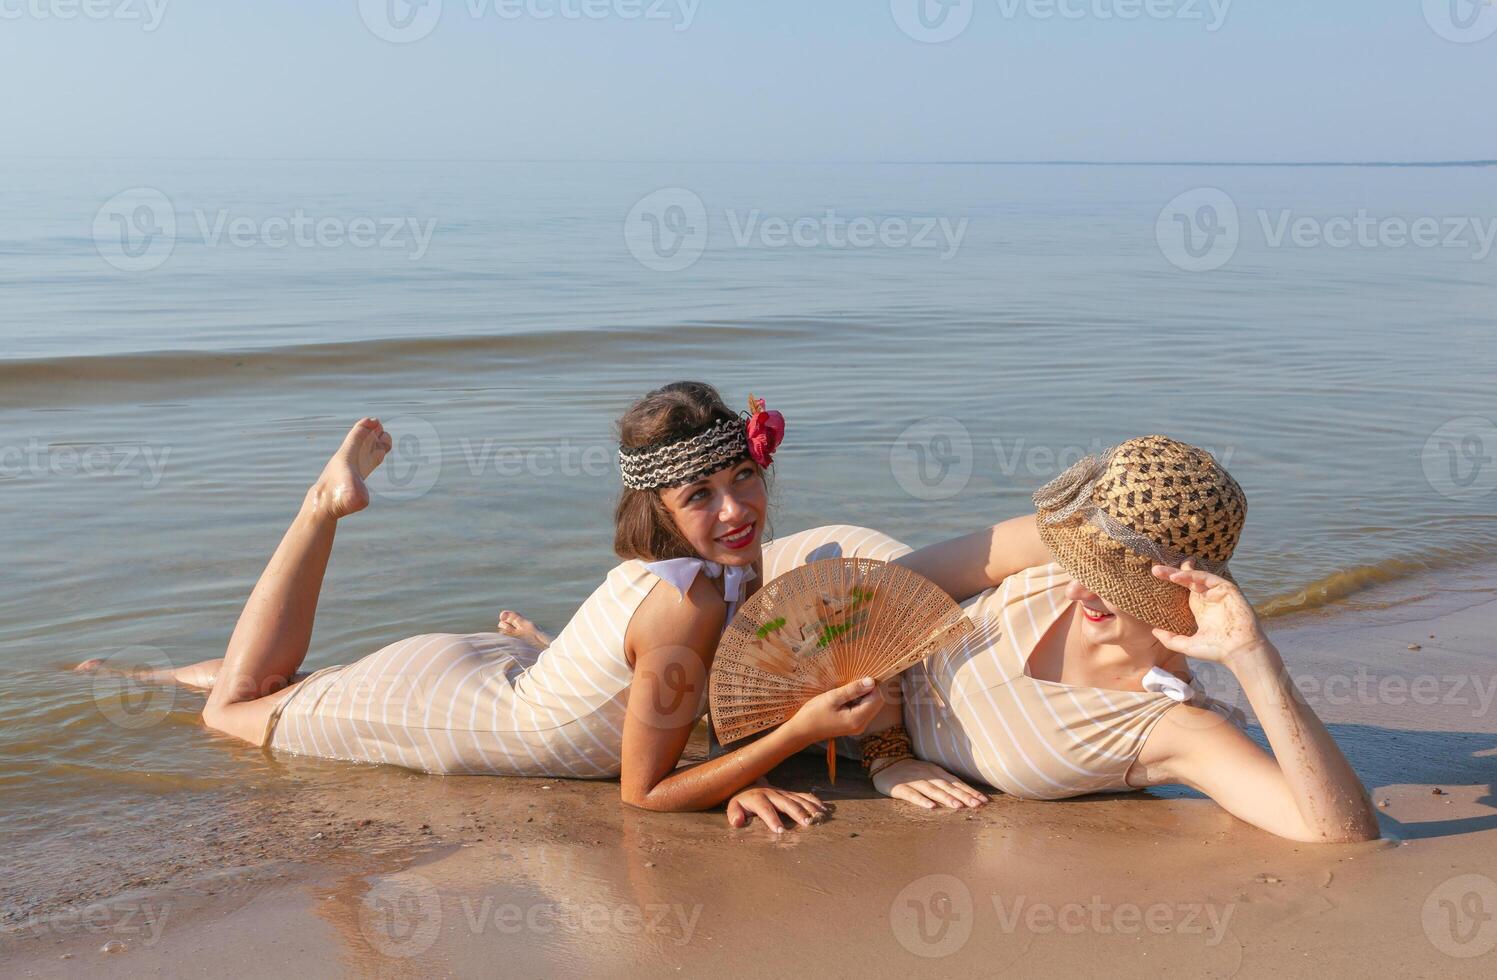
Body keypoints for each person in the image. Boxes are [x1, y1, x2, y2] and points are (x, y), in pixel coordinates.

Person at [95, 382, 976, 831]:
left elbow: (683, 710)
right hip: (452, 712)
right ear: (658, 510)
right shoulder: (685, 602)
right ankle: (320, 507)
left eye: (741, 476)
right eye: (699, 495)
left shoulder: (713, 573)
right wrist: (786, 744)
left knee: (281, 684)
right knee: (234, 710)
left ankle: (146, 671)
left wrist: (740, 773)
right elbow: (644, 796)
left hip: (511, 672)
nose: (735, 509)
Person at [873, 434, 1379, 843]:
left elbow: (1337, 829)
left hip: (823, 722)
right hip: (825, 633)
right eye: (1079, 563)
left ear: (1175, 585)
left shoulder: (1172, 728)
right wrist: (886, 750)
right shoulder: (1055, 545)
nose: (1075, 588)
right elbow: (874, 596)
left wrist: (1253, 658)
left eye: (1112, 582)